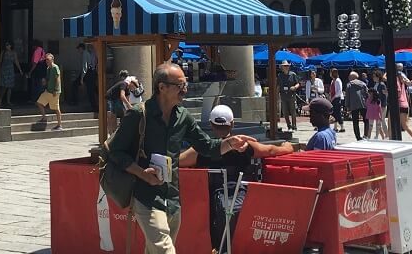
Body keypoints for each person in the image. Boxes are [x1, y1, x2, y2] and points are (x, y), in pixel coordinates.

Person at [108, 62, 249, 254]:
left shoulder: (183, 117)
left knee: (155, 251)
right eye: (180, 85)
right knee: (165, 250)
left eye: (186, 84)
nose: (185, 89)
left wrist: (230, 143)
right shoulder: (138, 114)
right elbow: (115, 152)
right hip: (145, 196)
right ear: (162, 87)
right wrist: (142, 174)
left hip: (172, 199)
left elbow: (207, 147)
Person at [179, 104, 298, 252]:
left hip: (210, 204)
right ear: (232, 124)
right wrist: (288, 147)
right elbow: (270, 150)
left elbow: (178, 161)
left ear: (211, 124)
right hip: (241, 197)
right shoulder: (244, 144)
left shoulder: (201, 149)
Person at [36, 53, 63, 130]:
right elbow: (48, 79)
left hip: (54, 92)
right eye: (46, 59)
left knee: (56, 108)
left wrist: (56, 89)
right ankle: (44, 118)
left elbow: (57, 79)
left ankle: (59, 124)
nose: (46, 61)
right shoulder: (48, 68)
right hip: (48, 91)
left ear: (52, 59)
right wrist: (45, 82)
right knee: (39, 102)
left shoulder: (55, 67)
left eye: (48, 59)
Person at [106, 70, 133, 135]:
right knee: (113, 115)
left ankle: (119, 132)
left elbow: (127, 99)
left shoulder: (128, 89)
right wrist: (129, 106)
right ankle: (113, 134)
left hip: (116, 98)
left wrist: (129, 108)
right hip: (112, 98)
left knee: (123, 113)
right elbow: (122, 96)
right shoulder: (124, 84)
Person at [276, 60, 300, 132]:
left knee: (293, 112)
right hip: (283, 96)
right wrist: (276, 96)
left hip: (291, 95)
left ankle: (294, 126)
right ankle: (288, 126)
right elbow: (278, 86)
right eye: (284, 66)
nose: (286, 67)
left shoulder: (293, 74)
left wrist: (295, 87)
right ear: (282, 67)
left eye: (287, 66)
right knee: (285, 112)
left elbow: (298, 83)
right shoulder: (280, 76)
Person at [345, 71, 369, 141]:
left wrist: (347, 106)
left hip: (353, 105)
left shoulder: (349, 84)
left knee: (355, 122)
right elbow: (367, 94)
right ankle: (366, 135)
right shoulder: (363, 84)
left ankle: (358, 137)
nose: (348, 78)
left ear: (352, 77)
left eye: (349, 76)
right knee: (366, 120)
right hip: (363, 104)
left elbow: (347, 96)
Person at [0, 40, 22, 107]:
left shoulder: (14, 53)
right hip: (4, 69)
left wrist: (20, 69)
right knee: (4, 86)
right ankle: (0, 99)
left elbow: (16, 61)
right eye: (6, 45)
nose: (7, 46)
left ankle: (8, 101)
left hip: (10, 70)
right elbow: (0, 61)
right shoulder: (3, 52)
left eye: (8, 45)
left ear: (11, 45)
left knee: (10, 87)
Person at [366, 70, 387, 140]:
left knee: (381, 121)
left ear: (378, 77)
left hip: (381, 105)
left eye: (374, 76)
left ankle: (385, 136)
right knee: (379, 121)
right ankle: (383, 136)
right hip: (375, 105)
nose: (373, 78)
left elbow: (385, 95)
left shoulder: (382, 84)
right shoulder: (376, 84)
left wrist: (382, 105)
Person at [329, 68, 346, 133]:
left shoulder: (338, 80)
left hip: (337, 98)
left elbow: (339, 91)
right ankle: (335, 127)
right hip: (333, 98)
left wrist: (333, 97)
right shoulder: (332, 81)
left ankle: (342, 127)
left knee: (338, 113)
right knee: (333, 113)